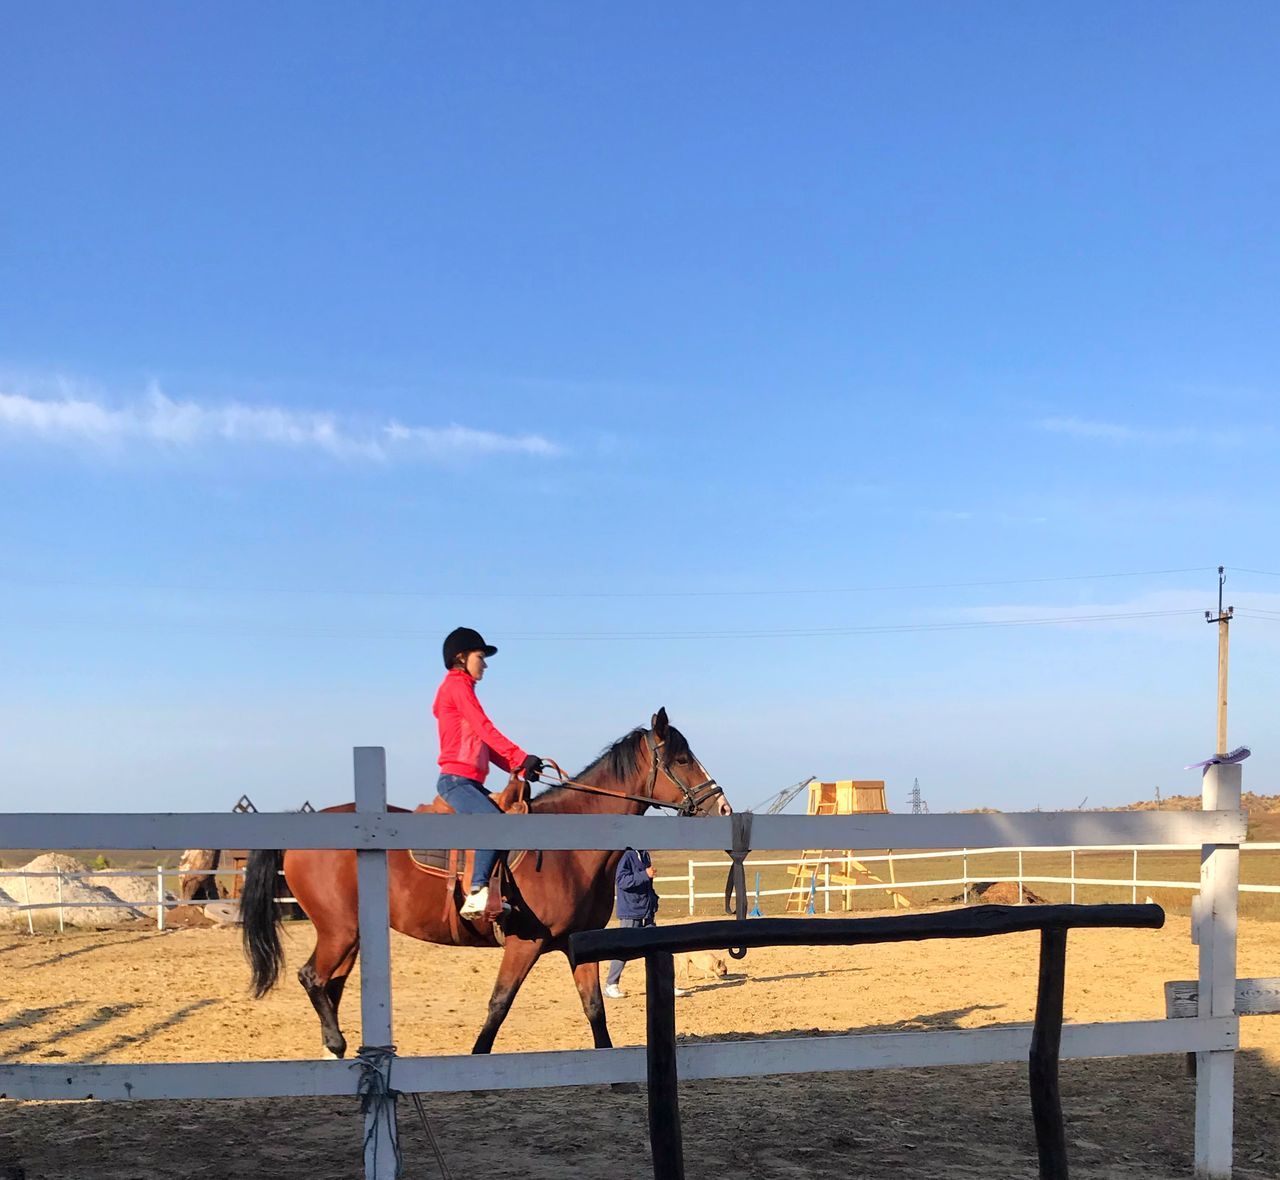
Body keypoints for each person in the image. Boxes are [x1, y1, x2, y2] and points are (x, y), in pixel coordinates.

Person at [434, 626, 542, 918]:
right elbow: (485, 728)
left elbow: (484, 743)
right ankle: (477, 892)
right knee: (492, 823)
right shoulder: (457, 686)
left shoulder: (461, 688)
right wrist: (519, 755)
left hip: (468, 781)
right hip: (456, 781)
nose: (485, 663)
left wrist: (519, 766)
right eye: (480, 656)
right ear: (461, 657)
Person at [603, 847, 688, 999]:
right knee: (623, 948)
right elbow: (621, 881)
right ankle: (611, 984)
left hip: (646, 911)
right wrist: (644, 874)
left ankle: (665, 985)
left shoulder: (645, 855)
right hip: (631, 911)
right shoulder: (626, 856)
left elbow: (647, 884)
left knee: (658, 948)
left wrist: (653, 899)